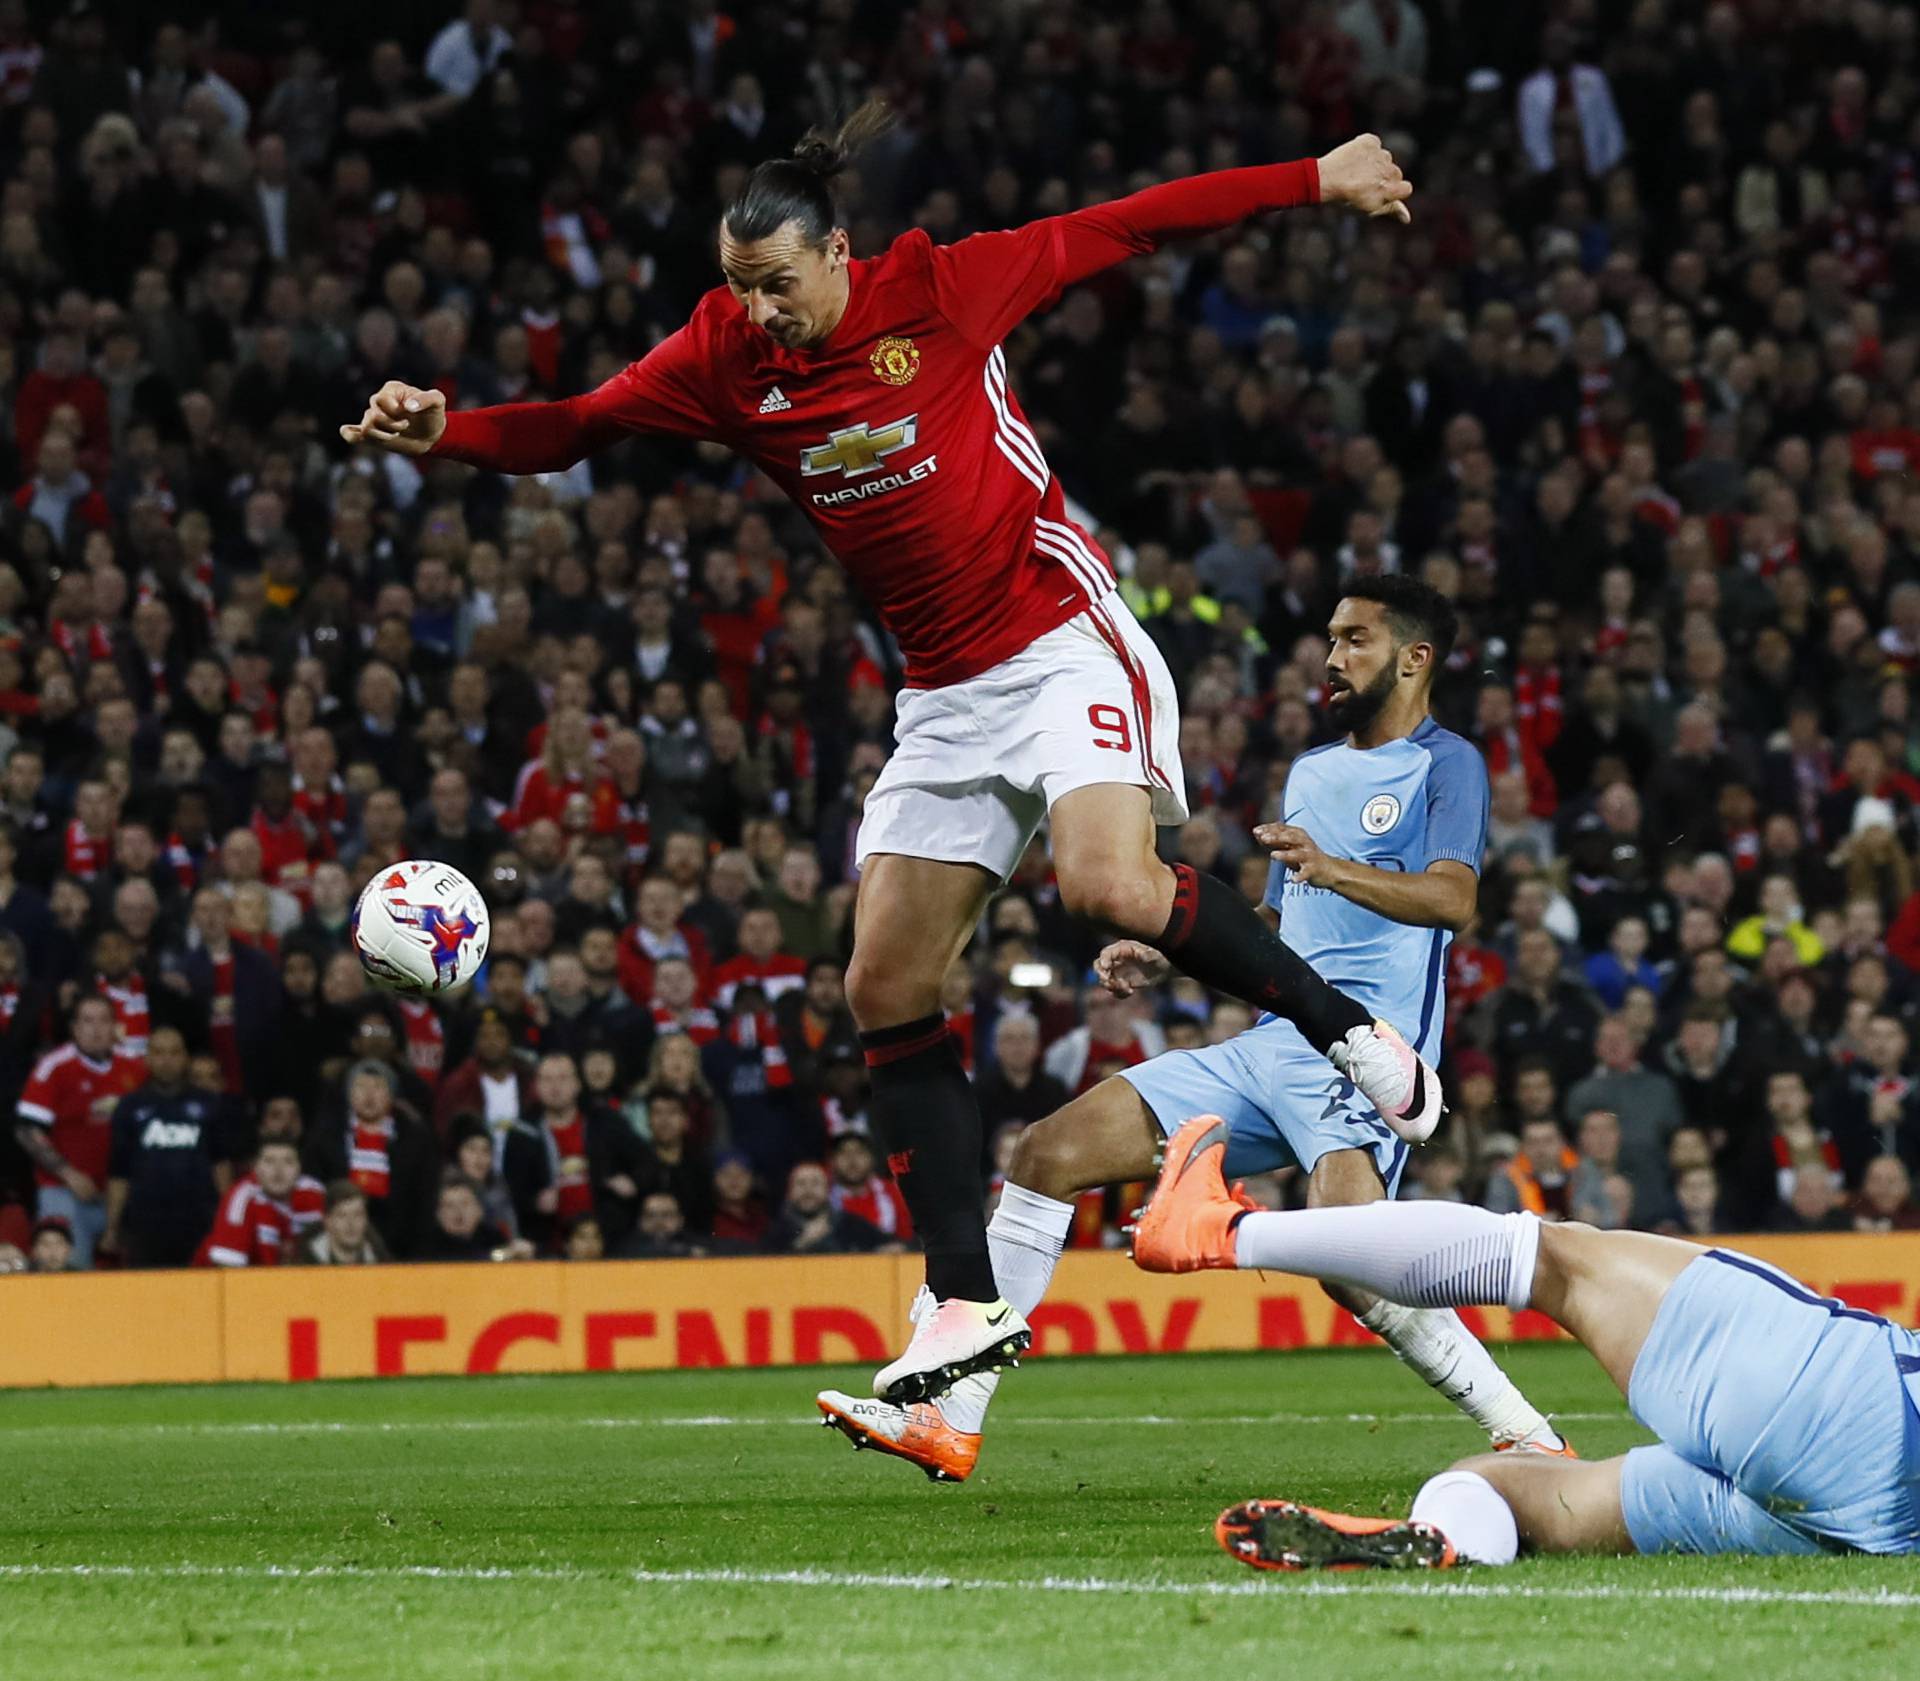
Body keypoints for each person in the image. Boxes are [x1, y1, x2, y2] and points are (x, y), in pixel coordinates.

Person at [343, 108, 1439, 1403]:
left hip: (1058, 636)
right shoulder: (721, 356)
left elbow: (1130, 221)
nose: (762, 310)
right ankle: (964, 1304)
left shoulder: (939, 287)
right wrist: (447, 430)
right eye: (741, 286)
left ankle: (1350, 1031)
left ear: (842, 254)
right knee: (881, 984)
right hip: (943, 696)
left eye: (780, 284)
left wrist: (1315, 176)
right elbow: (578, 424)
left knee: (1106, 888)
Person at [821, 580, 1562, 1480]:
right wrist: (1174, 952)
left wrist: (1331, 865)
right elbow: (1282, 923)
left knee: (1349, 1257)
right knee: (1048, 1152)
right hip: (1270, 1040)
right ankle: (951, 1413)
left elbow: (1455, 897)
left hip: (1365, 1050)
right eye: (1330, 637)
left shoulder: (1449, 764)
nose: (1332, 658)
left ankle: (1527, 1432)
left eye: (1356, 639)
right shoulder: (1314, 771)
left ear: (1415, 658)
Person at [1133, 1112, 1920, 1569]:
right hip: (1853, 1529)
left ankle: (1223, 1231)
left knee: (1554, 1261)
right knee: (1507, 1487)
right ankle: (1452, 1536)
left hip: (1854, 1405)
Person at [13, 993, 145, 1267]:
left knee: (140, 1271)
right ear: (74, 1028)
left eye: (103, 1021)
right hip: (66, 1190)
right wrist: (68, 1174)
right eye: (87, 1021)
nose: (96, 1029)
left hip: (122, 1190)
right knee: (71, 1270)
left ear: (115, 1027)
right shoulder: (55, 1067)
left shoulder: (134, 1066)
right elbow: (27, 1129)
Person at [102, 1024, 228, 1267]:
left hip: (198, 1220)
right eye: (159, 1053)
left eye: (174, 1052)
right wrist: (112, 1227)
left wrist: (224, 1219)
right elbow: (119, 1173)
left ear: (185, 1058)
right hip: (144, 1223)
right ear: (147, 1058)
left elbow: (221, 1164)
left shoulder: (209, 1104)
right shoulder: (129, 1107)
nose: (166, 1060)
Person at [293, 1179, 391, 1265]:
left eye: (357, 1215)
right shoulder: (303, 1266)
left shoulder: (384, 1263)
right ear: (327, 1221)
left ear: (366, 1219)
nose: (351, 1224)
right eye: (342, 1215)